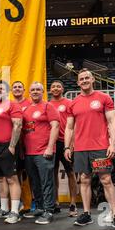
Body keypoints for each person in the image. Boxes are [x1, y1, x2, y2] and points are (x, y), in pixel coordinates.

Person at [64, 69, 115, 230]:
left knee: (106, 180)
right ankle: (86, 213)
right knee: (84, 180)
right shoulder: (73, 103)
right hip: (80, 148)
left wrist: (112, 144)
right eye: (81, 79)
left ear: (93, 80)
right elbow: (69, 127)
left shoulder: (103, 98)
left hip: (100, 147)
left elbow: (113, 122)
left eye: (87, 78)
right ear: (78, 83)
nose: (84, 80)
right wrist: (67, 146)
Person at [22, 82, 59, 225]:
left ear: (43, 92)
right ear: (29, 93)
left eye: (38, 89)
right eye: (33, 89)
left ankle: (49, 210)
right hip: (29, 153)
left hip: (44, 151)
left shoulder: (48, 106)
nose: (35, 91)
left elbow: (55, 126)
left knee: (46, 182)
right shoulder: (26, 109)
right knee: (35, 182)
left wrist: (50, 147)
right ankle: (39, 207)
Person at [0, 81, 23, 224]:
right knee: (0, 179)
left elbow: (18, 125)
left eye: (2, 88)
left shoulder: (13, 105)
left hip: (7, 146)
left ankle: (14, 211)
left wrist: (12, 146)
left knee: (12, 179)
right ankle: (4, 208)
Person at [49, 80, 78, 217]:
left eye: (58, 86)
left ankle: (73, 203)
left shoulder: (69, 103)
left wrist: (71, 144)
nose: (55, 88)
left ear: (62, 88)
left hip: (66, 143)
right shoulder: (47, 104)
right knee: (53, 173)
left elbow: (74, 125)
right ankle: (56, 202)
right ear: (50, 90)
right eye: (53, 86)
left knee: (71, 172)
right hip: (52, 144)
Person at [11, 80, 32, 214]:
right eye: (15, 87)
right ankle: (20, 203)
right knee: (16, 175)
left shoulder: (30, 104)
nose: (17, 89)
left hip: (30, 144)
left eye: (20, 87)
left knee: (31, 175)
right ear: (12, 91)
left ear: (24, 90)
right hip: (15, 146)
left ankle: (33, 203)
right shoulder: (9, 105)